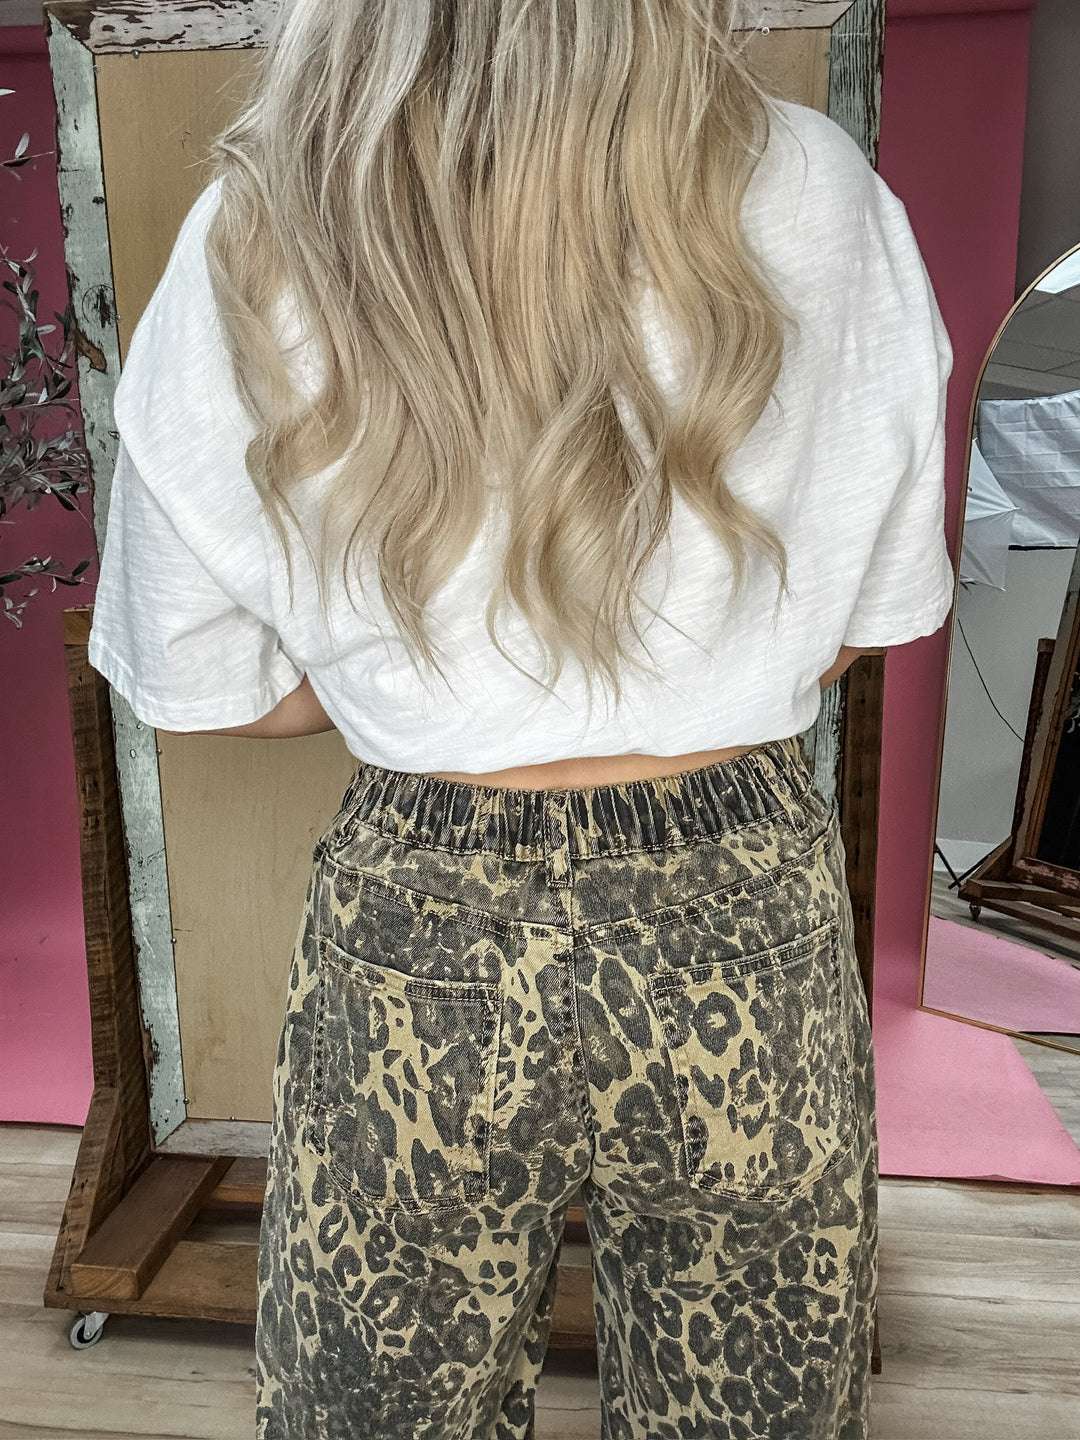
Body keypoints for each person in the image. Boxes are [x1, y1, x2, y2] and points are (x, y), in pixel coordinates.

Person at [86, 2, 955, 1436]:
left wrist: (426, 695)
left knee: (378, 1411)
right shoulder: (814, 182)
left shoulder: (264, 226)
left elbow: (202, 682)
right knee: (752, 1406)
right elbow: (871, 613)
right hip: (742, 909)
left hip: (421, 924)